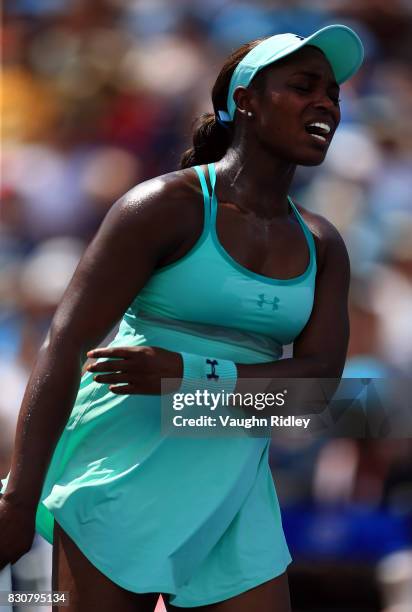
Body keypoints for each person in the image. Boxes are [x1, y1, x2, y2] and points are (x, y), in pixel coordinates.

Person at [0, 24, 364, 612]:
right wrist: (18, 500)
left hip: (235, 479)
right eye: (304, 86)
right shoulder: (164, 205)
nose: (326, 101)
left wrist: (190, 373)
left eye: (334, 93)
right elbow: (65, 345)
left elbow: (316, 391)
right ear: (245, 101)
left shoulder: (323, 243)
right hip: (125, 461)